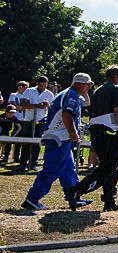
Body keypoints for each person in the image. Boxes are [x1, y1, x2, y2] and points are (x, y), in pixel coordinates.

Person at [21, 73, 95, 210]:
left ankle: (74, 196)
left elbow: (83, 105)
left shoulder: (68, 93)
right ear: (79, 83)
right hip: (59, 139)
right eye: (88, 84)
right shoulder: (71, 95)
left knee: (68, 170)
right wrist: (74, 135)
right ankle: (32, 198)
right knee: (52, 169)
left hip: (58, 138)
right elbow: (67, 115)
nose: (89, 87)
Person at [66, 65, 118, 212]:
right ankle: (78, 190)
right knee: (108, 168)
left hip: (96, 133)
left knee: (112, 168)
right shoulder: (116, 89)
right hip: (109, 133)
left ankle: (109, 201)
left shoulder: (97, 91)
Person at [19, 76, 55, 171]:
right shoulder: (29, 91)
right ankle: (22, 163)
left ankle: (33, 163)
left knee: (37, 143)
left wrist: (47, 106)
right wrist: (37, 106)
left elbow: (52, 108)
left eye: (44, 86)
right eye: (41, 86)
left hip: (41, 120)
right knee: (26, 142)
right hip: (28, 120)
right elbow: (24, 105)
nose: (42, 88)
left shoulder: (49, 94)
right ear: (37, 84)